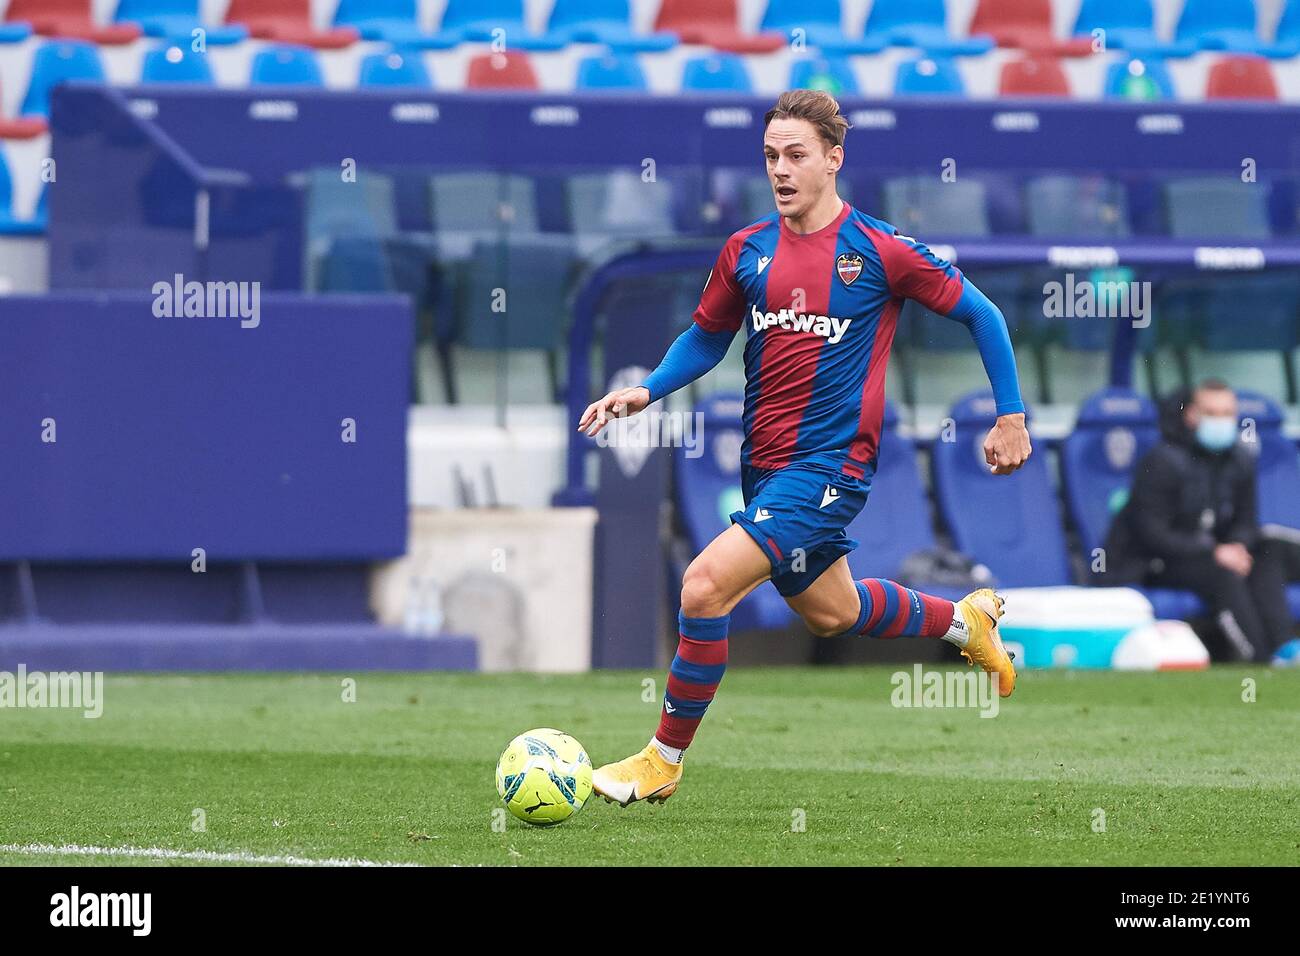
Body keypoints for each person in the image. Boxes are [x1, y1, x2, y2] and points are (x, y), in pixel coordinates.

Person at [576, 90, 1031, 806]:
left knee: (701, 587)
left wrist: (1011, 417)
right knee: (831, 612)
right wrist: (650, 389)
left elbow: (983, 312)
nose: (780, 170)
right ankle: (963, 620)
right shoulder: (746, 251)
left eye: (795, 155)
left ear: (832, 159)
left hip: (831, 470)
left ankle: (661, 760)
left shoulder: (882, 250)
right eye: (770, 157)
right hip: (766, 469)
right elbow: (706, 335)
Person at [1103, 379, 1300, 662]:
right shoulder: (1162, 460)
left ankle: (1286, 649)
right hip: (1156, 563)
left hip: (1213, 554)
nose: (1221, 421)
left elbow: (1246, 522)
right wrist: (1213, 550)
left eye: (1227, 414)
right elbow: (1151, 533)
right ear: (1192, 415)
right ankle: (1259, 658)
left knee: (1268, 550)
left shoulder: (1240, 460)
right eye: (1212, 413)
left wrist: (1237, 546)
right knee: (1221, 573)